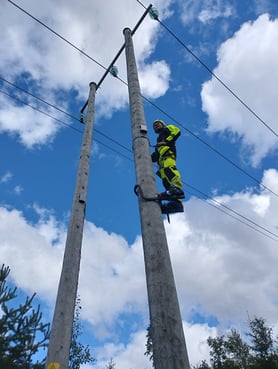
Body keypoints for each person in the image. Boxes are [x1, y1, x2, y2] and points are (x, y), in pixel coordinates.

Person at [151, 119, 184, 213]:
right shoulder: (158, 140)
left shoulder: (168, 129)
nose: (156, 126)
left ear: (163, 124)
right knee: (165, 181)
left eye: (158, 124)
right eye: (154, 126)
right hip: (161, 164)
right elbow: (155, 155)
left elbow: (177, 131)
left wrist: (166, 141)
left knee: (171, 172)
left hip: (168, 157)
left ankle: (177, 189)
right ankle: (176, 203)